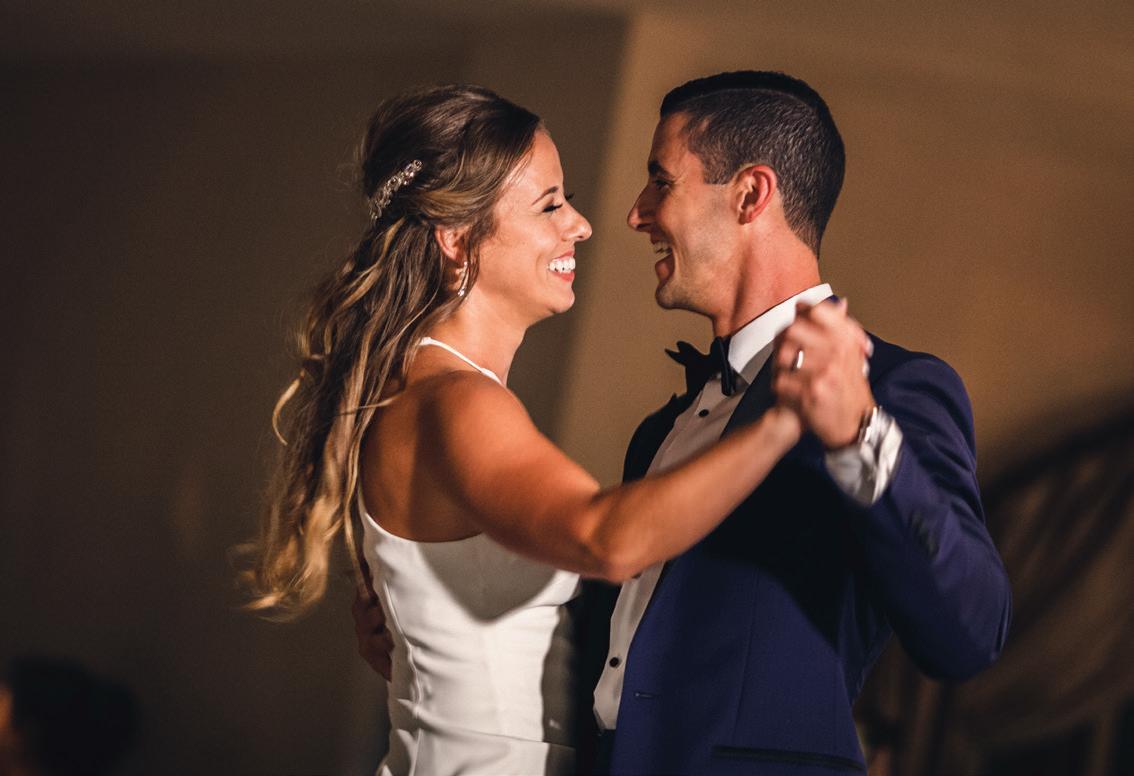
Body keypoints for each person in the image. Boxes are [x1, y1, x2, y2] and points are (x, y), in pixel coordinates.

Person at [353, 72, 1012, 776]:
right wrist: (430, 603)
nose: (633, 214)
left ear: (750, 194)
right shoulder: (660, 431)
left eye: (661, 182)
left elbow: (971, 631)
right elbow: (628, 634)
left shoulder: (892, 389)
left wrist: (860, 434)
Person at [248, 84, 841, 776]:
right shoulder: (456, 402)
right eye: (550, 204)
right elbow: (605, 539)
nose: (582, 225)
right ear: (458, 241)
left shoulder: (438, 390)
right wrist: (783, 421)